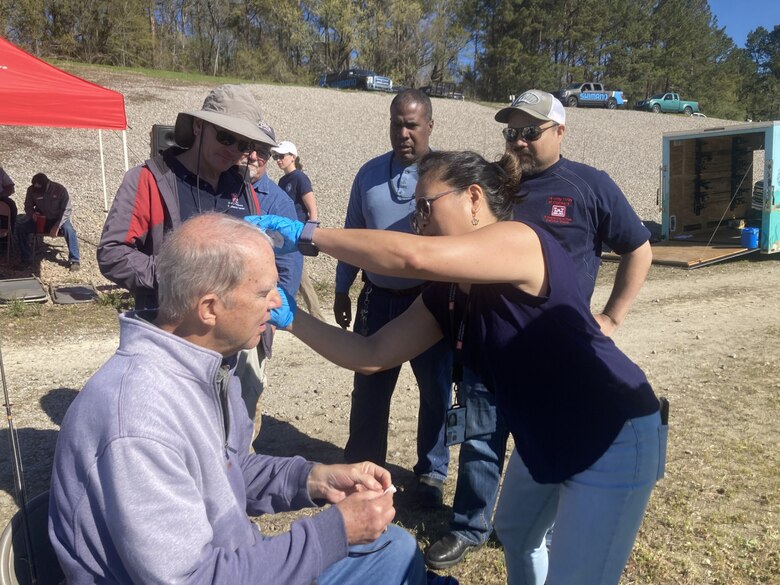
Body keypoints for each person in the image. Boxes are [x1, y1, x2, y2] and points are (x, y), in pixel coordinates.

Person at [249, 148, 666, 585]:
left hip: (611, 431)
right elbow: (370, 355)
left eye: (426, 207)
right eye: (415, 212)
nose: (418, 222)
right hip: (546, 431)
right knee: (518, 533)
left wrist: (307, 233)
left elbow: (411, 257)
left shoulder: (521, 240)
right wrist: (292, 318)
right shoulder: (447, 295)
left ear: (472, 198)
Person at [48, 213, 427, 585]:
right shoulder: (139, 421)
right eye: (263, 292)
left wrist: (313, 479)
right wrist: (337, 531)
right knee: (393, 558)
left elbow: (227, 470)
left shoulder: (207, 368)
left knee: (392, 546)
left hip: (231, 557)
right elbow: (192, 579)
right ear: (209, 308)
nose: (276, 303)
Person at [424, 89, 654, 568]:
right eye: (512, 132)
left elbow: (638, 247)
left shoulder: (588, 185)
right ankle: (471, 526)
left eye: (530, 131)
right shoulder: (497, 188)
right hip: (494, 347)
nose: (519, 142)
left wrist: (611, 317)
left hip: (558, 355)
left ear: (560, 132)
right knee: (480, 443)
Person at [333, 88, 452, 507]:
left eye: (412, 125)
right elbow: (352, 234)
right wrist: (342, 286)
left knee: (436, 390)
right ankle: (363, 468)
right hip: (376, 299)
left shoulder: (447, 177)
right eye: (396, 123)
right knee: (369, 386)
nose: (403, 133)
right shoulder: (367, 175)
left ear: (430, 126)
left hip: (430, 302)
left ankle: (432, 474)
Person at [97, 84, 276, 310]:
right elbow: (112, 254)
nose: (233, 150)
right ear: (199, 126)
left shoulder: (244, 189)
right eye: (225, 137)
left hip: (230, 337)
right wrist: (179, 277)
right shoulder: (148, 179)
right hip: (171, 335)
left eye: (243, 144)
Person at [235, 127, 303, 445]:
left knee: (245, 405)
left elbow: (289, 268)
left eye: (262, 151)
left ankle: (242, 476)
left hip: (255, 321)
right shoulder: (222, 190)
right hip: (214, 318)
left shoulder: (278, 201)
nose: (253, 156)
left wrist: (272, 321)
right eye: (247, 147)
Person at [272, 140, 324, 320]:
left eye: (281, 156)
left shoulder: (300, 178)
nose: (278, 160)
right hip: (284, 235)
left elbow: (312, 206)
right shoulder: (283, 180)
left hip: (296, 235)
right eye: (275, 157)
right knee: (297, 276)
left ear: (292, 157)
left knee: (300, 277)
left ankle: (316, 318)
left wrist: (311, 230)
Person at [16, 173, 81, 271]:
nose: (38, 192)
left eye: (40, 190)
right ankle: (26, 258)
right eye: (36, 190)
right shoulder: (31, 190)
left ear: (47, 184)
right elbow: (28, 206)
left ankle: (75, 260)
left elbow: (66, 210)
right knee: (21, 228)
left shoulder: (60, 190)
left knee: (69, 230)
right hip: (41, 219)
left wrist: (57, 225)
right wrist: (32, 214)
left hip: (59, 219)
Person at [0, 166, 17, 233]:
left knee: (11, 205)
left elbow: (10, 188)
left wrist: (1, 195)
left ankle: (7, 234)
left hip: (0, 198)